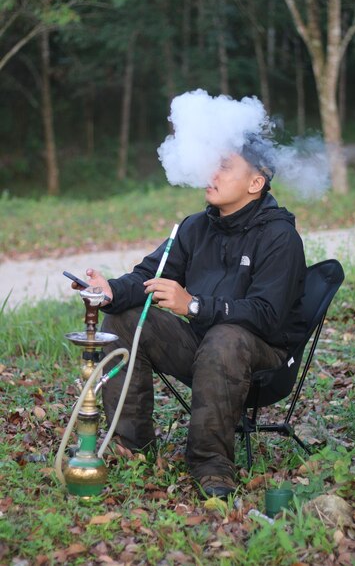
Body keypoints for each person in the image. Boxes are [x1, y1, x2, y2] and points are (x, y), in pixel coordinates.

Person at [76, 133, 307, 498]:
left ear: (255, 182)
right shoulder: (194, 227)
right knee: (125, 317)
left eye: (224, 166)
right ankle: (131, 445)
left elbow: (268, 316)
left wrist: (194, 305)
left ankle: (211, 464)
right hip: (203, 348)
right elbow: (148, 277)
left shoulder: (280, 237)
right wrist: (113, 292)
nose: (209, 173)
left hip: (262, 356)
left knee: (226, 336)